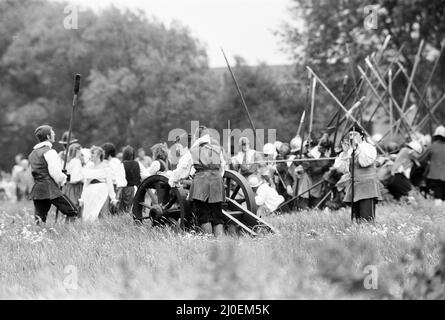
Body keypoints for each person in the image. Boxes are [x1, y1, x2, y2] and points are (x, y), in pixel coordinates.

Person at [28, 125, 78, 224]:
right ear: (48, 136)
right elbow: (55, 173)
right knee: (72, 211)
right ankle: (72, 234)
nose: (54, 134)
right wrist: (63, 178)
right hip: (51, 189)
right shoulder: (50, 152)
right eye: (52, 132)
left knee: (39, 219)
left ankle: (39, 235)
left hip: (38, 189)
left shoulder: (32, 153)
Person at [189, 127, 226, 236]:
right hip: (217, 182)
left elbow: (185, 170)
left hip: (201, 183)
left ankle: (209, 242)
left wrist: (173, 180)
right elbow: (222, 167)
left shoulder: (194, 150)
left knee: (204, 214)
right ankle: (219, 241)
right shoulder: (217, 149)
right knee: (217, 214)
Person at [343, 125, 382, 223]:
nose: (352, 137)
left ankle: (369, 234)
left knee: (367, 216)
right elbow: (344, 169)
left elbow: (364, 162)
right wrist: (345, 152)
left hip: (367, 185)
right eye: (350, 134)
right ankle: (359, 234)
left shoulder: (369, 148)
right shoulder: (351, 150)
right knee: (357, 217)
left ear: (361, 136)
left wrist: (358, 146)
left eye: (355, 134)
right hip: (355, 185)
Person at [79, 146, 118, 222]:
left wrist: (113, 198)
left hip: (102, 192)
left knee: (102, 214)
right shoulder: (89, 167)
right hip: (89, 192)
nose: (91, 155)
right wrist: (82, 197)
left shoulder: (105, 167)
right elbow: (85, 184)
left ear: (99, 155)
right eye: (91, 153)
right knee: (89, 215)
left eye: (93, 153)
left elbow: (109, 184)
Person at [419, 126, 445, 208]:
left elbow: (421, 160)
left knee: (438, 196)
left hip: (434, 175)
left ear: (435, 136)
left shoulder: (432, 147)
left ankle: (437, 214)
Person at [101, 142, 127, 214]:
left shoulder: (115, 162)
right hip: (108, 187)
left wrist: (118, 191)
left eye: (103, 152)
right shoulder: (106, 162)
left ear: (108, 153)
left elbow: (118, 177)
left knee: (113, 208)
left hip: (115, 187)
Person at [119, 145, 141, 214]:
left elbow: (121, 180)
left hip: (127, 189)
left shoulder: (122, 164)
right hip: (137, 188)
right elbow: (145, 175)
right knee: (134, 208)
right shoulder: (137, 163)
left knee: (125, 210)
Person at [62, 143, 83, 210]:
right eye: (80, 150)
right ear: (77, 151)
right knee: (75, 207)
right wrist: (83, 179)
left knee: (70, 207)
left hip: (68, 187)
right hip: (74, 188)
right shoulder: (77, 161)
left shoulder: (70, 161)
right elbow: (75, 178)